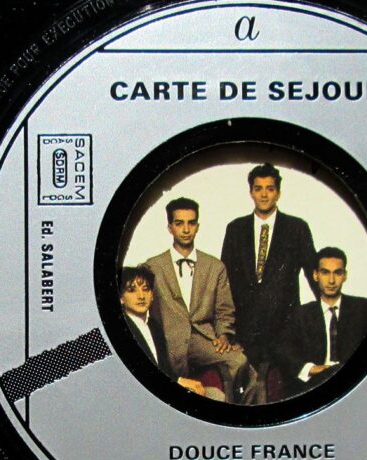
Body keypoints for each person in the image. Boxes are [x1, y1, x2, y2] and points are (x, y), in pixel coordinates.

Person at [221, 163, 318, 402]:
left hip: (284, 328)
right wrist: (226, 331)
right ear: (251, 192)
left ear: (278, 193)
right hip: (245, 330)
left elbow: (314, 275)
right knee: (247, 395)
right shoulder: (235, 229)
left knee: (283, 395)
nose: (264, 194)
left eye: (270, 188)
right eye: (258, 188)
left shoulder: (297, 228)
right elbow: (223, 283)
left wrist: (323, 319)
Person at [146, 197, 255, 404]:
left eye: (191, 223)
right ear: (170, 227)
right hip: (168, 342)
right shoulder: (152, 266)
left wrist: (224, 335)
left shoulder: (215, 267)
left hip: (203, 340)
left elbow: (224, 309)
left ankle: (235, 415)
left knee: (241, 362)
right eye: (179, 223)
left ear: (198, 226)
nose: (186, 229)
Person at [275, 247, 367, 399]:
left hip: (354, 385)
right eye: (325, 272)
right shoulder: (300, 315)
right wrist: (311, 368)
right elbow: (283, 349)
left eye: (337, 273)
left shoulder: (364, 309)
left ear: (345, 276)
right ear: (315, 275)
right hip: (314, 387)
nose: (331, 280)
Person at [119, 264, 224, 401]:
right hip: (141, 398)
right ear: (121, 298)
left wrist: (178, 380)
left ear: (152, 295)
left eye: (146, 289)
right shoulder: (122, 330)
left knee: (216, 394)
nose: (141, 296)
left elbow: (164, 369)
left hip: (163, 390)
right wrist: (178, 382)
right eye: (132, 290)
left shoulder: (154, 326)